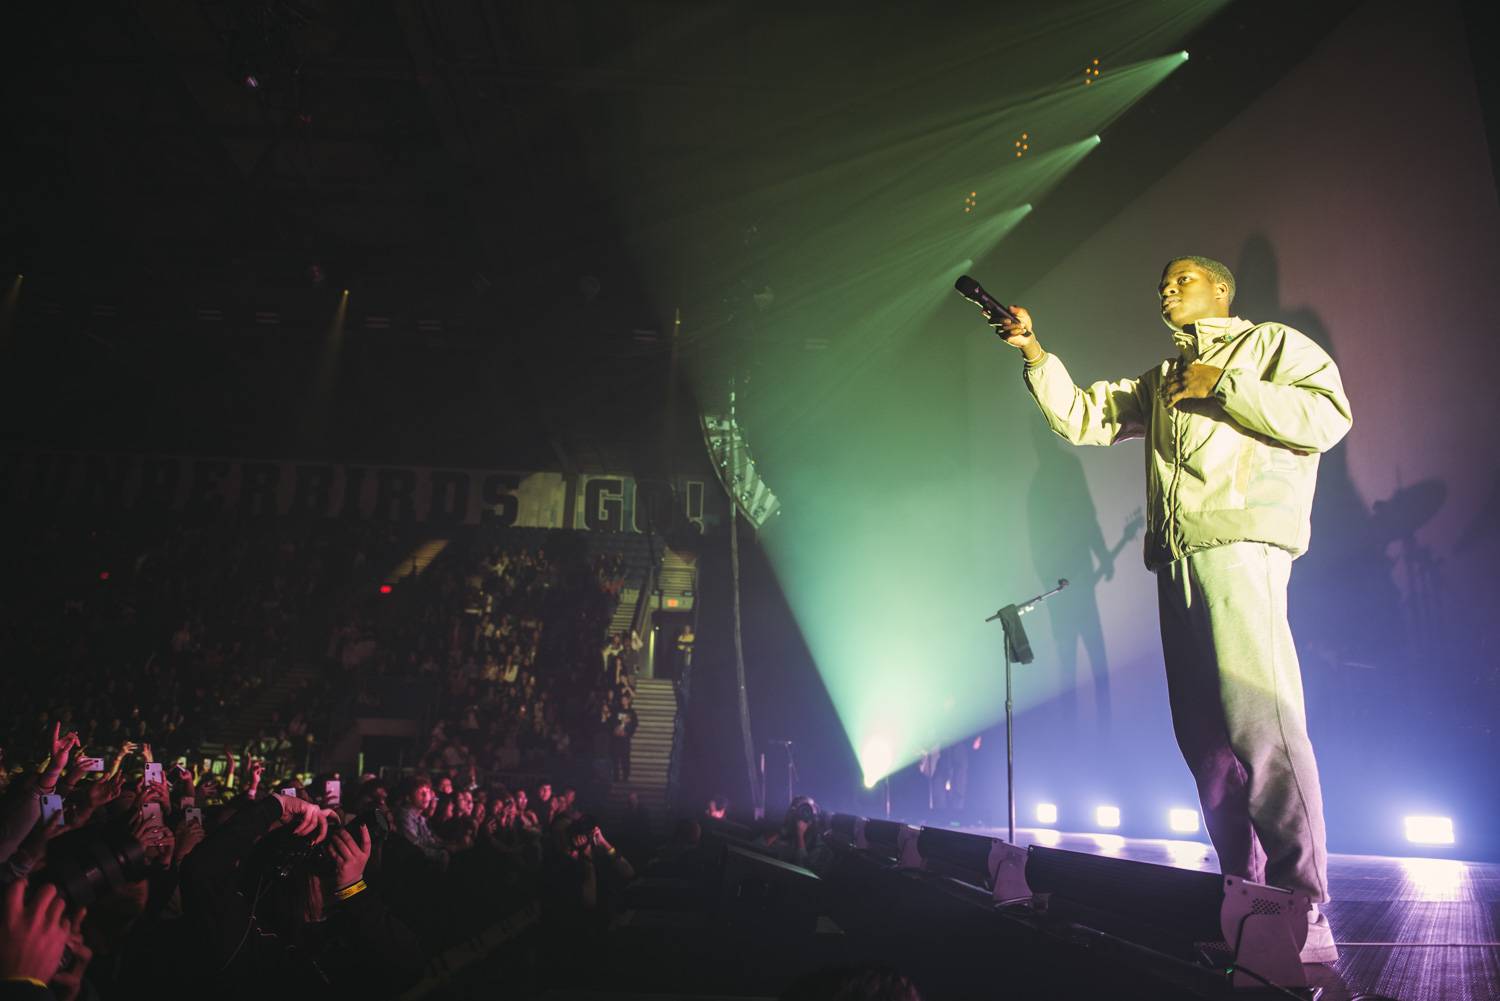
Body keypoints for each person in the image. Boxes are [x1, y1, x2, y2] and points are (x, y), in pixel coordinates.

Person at [988, 256, 1351, 964]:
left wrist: (1226, 385)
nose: (1166, 287)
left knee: (1262, 726)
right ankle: (1245, 903)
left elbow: (1328, 414)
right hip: (1177, 558)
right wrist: (1034, 350)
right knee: (1208, 746)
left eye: (1182, 278)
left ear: (1220, 290)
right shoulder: (1161, 379)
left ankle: (1303, 906)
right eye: (1161, 280)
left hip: (1243, 545)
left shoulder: (1267, 346)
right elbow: (1086, 416)